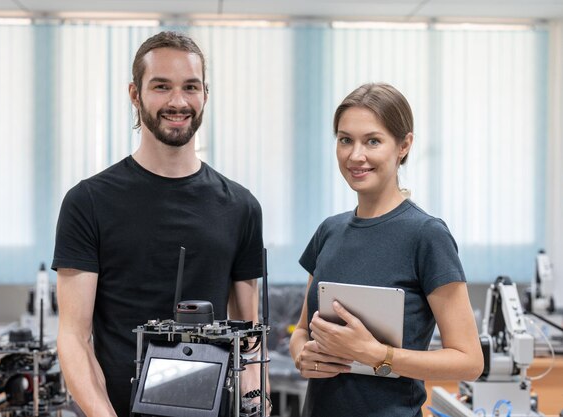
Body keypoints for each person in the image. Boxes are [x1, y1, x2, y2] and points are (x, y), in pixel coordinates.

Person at [52, 31, 266, 417]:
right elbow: (73, 338)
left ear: (205, 94)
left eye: (190, 87)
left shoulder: (242, 206)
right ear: (135, 94)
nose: (178, 101)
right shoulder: (87, 202)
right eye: (161, 86)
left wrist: (256, 405)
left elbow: (250, 341)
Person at [289, 83, 484, 417]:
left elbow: (468, 362)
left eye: (373, 141)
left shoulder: (426, 235)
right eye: (345, 139)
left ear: (404, 146)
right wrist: (301, 355)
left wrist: (376, 353)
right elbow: (304, 331)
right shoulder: (329, 231)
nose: (355, 155)